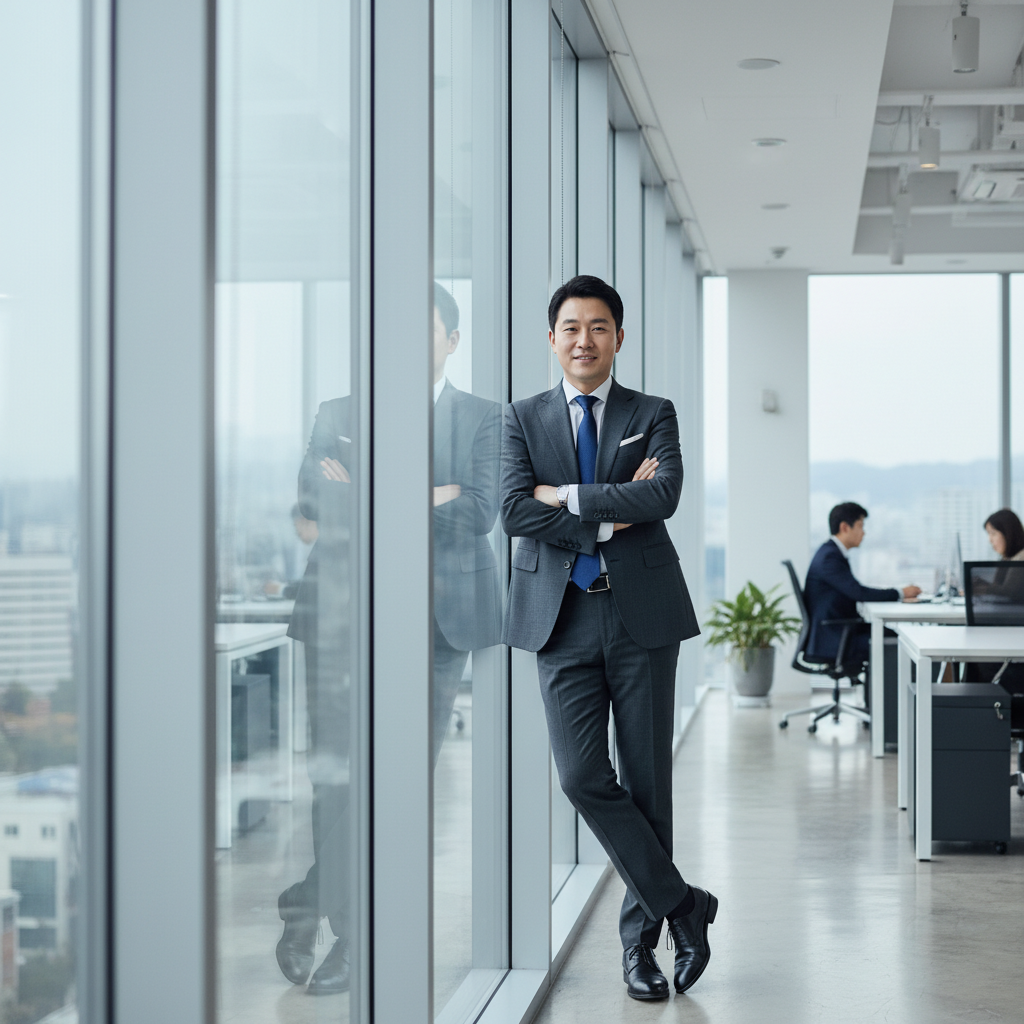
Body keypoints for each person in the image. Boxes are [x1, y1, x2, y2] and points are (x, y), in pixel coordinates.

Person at [275, 282, 501, 996]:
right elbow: (312, 505)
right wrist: (430, 494)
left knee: (399, 776)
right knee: (334, 775)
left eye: (424, 329)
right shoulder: (336, 414)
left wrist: (368, 489)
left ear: (452, 341)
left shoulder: (483, 419)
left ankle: (312, 902)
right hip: (343, 614)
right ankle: (349, 933)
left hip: (438, 623)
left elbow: (481, 512)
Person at [499, 274, 713, 1002]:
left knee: (648, 782)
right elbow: (511, 511)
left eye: (598, 327)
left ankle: (639, 948)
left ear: (618, 337)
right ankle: (684, 906)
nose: (583, 340)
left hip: (641, 615)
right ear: (551, 338)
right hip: (559, 615)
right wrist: (602, 518)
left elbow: (663, 496)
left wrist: (568, 496)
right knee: (583, 776)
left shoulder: (652, 412)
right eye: (570, 327)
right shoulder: (521, 419)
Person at [805, 502, 920, 668]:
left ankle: (882, 693)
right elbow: (858, 593)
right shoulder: (829, 557)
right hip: (835, 638)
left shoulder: (831, 553)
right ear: (845, 527)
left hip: (842, 631)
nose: (864, 532)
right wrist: (900, 593)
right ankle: (895, 693)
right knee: (900, 643)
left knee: (895, 636)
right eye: (860, 526)